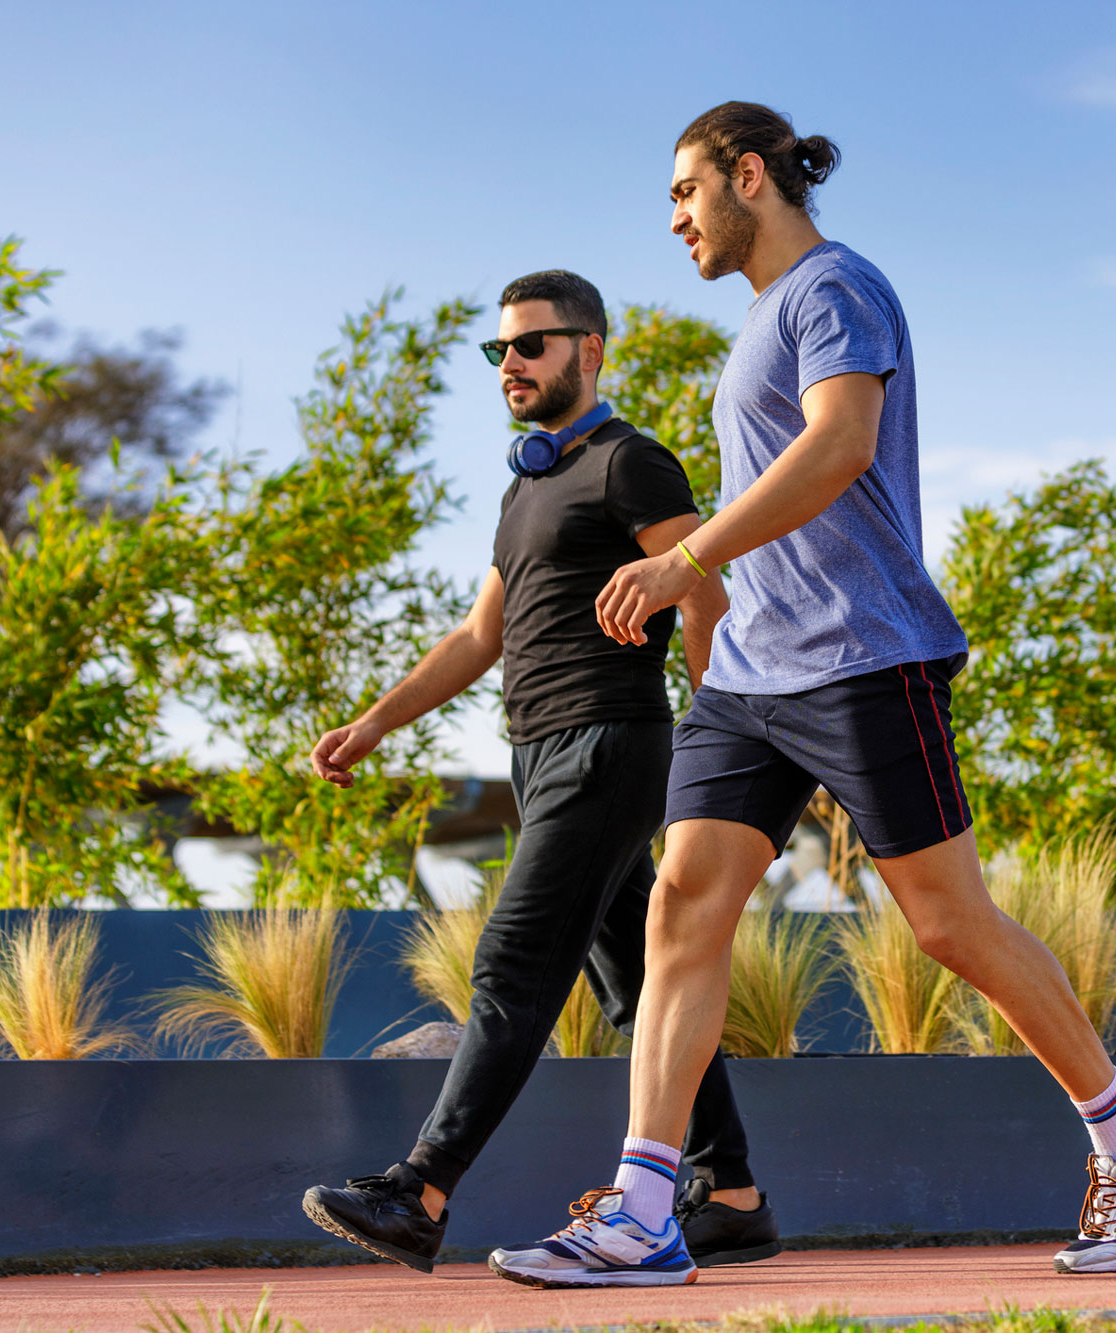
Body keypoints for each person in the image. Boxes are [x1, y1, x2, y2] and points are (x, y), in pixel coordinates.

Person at [487, 105, 1116, 1290]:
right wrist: (712, 622)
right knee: (682, 906)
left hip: (863, 655)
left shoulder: (833, 289)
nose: (673, 218)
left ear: (747, 175)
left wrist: (686, 562)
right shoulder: (760, 321)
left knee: (946, 923)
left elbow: (839, 446)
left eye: (683, 191)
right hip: (752, 676)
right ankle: (646, 1206)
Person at [301, 269, 780, 1275]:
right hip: (540, 755)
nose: (510, 364)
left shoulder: (628, 463)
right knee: (637, 976)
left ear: (589, 349)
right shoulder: (527, 486)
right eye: (499, 351)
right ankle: (727, 1189)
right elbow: (483, 633)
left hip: (608, 745)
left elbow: (701, 595)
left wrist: (715, 739)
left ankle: (420, 1190)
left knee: (512, 968)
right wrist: (374, 723)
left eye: (531, 345)